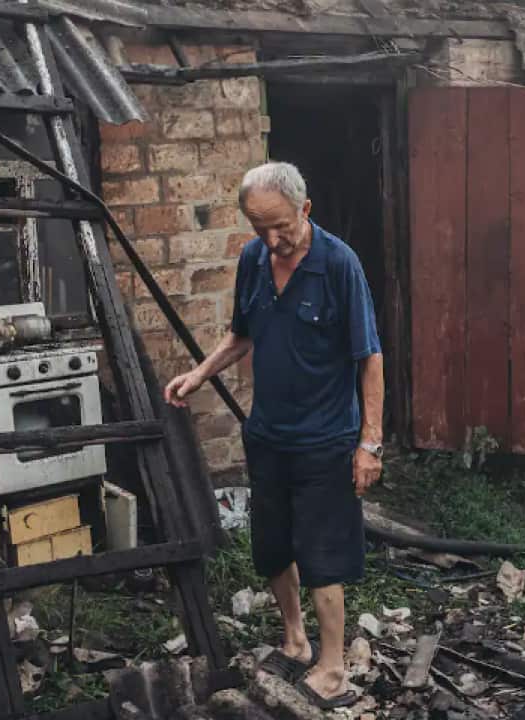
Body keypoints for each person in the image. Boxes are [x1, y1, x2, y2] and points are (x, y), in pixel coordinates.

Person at [164, 161, 384, 709]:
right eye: (259, 227)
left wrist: (369, 443)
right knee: (272, 548)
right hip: (268, 435)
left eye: (281, 226)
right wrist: (199, 373)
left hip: (325, 439)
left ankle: (332, 666)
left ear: (304, 209)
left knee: (322, 554)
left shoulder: (339, 265)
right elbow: (242, 334)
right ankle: (295, 638)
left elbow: (369, 359)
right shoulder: (254, 259)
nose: (272, 239)